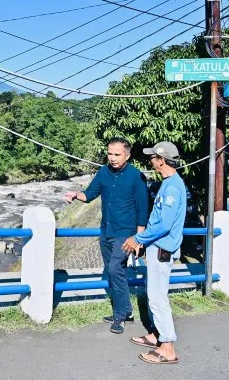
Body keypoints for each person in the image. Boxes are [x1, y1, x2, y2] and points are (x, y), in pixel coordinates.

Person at [64, 137, 148, 334]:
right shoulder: (103, 172)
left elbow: (142, 209)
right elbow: (90, 194)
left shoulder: (136, 176)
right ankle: (126, 310)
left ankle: (119, 317)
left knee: (114, 268)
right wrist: (76, 194)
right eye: (110, 154)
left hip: (126, 235)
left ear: (127, 155)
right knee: (114, 273)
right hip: (106, 232)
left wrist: (139, 239)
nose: (112, 158)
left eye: (117, 154)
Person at [122, 141, 186, 365]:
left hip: (161, 249)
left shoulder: (172, 187)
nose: (150, 161)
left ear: (161, 159)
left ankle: (167, 348)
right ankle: (156, 335)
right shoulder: (169, 184)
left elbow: (163, 225)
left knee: (158, 298)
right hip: (157, 248)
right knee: (153, 295)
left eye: (153, 157)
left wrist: (137, 239)